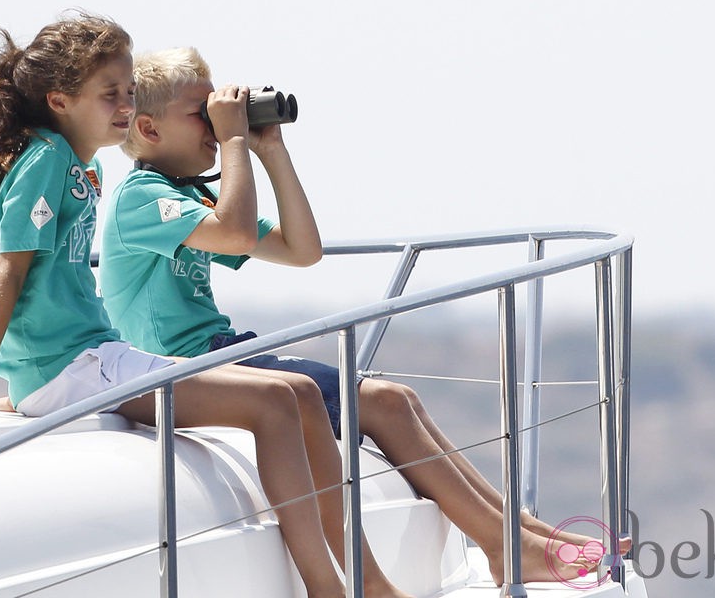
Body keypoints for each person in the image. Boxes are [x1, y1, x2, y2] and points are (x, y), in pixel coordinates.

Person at [99, 47, 618, 586]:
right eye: (200, 113)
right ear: (148, 129)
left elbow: (302, 249)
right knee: (386, 403)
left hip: (224, 349)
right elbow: (235, 231)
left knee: (400, 400)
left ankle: (518, 531)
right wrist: (233, 142)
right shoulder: (142, 198)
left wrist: (270, 150)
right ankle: (505, 544)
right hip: (185, 363)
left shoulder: (191, 196)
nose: (216, 121)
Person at [0, 14, 348, 598]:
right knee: (278, 402)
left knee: (297, 395)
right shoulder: (47, 159)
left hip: (90, 357)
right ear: (60, 100)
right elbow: (9, 270)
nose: (123, 106)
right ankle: (331, 586)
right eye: (110, 94)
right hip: (75, 365)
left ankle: (351, 578)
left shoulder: (85, 166)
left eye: (128, 92)